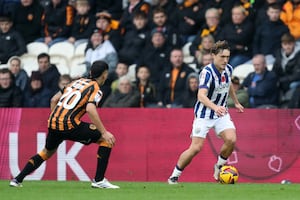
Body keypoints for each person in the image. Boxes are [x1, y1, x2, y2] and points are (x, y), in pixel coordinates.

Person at [9, 60, 119, 189]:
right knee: (107, 140)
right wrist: (104, 132)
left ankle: (17, 179)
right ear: (105, 75)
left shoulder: (75, 82)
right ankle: (99, 180)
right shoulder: (95, 88)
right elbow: (90, 109)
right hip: (70, 125)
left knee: (46, 152)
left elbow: (53, 99)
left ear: (90, 72)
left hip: (53, 123)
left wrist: (58, 119)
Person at [168, 40, 244, 184]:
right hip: (205, 114)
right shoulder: (206, 73)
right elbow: (201, 96)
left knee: (231, 139)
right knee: (196, 148)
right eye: (222, 57)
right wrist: (215, 107)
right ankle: (174, 175)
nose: (225, 60)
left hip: (221, 113)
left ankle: (219, 167)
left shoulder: (228, 69)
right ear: (213, 55)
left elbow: (228, 86)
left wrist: (236, 102)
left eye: (227, 57)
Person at [272, 32, 300, 106]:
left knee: (293, 86)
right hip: (283, 80)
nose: (287, 47)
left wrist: (281, 80)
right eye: (285, 44)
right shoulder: (279, 54)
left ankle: (290, 105)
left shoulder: (298, 55)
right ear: (282, 45)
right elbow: (275, 69)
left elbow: (297, 74)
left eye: (289, 44)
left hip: (295, 81)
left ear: (294, 44)